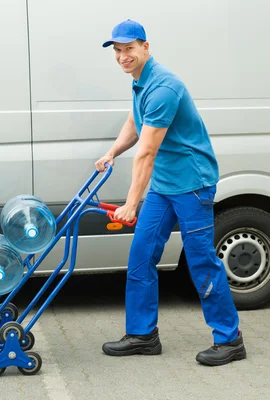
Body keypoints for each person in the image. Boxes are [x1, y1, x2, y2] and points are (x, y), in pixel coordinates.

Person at [95, 19, 247, 366]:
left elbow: (147, 152)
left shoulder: (164, 87)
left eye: (129, 49)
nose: (122, 57)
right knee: (141, 255)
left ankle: (230, 339)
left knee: (201, 261)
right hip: (165, 185)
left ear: (145, 47)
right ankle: (142, 335)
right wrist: (112, 152)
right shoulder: (140, 83)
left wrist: (131, 204)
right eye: (117, 51)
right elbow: (135, 123)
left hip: (192, 184)